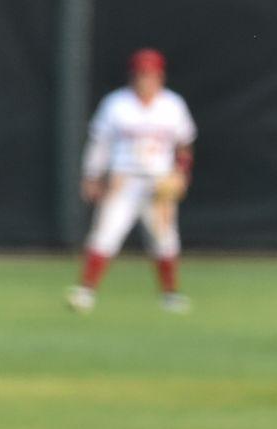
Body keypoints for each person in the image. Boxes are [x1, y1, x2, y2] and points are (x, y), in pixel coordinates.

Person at [67, 48, 196, 314]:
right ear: (132, 76)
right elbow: (99, 143)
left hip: (158, 183)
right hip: (123, 181)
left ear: (160, 76)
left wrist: (181, 172)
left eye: (150, 74)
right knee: (105, 235)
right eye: (140, 74)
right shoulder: (116, 104)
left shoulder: (173, 105)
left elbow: (184, 144)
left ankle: (170, 295)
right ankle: (85, 291)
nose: (145, 79)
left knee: (165, 240)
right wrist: (92, 175)